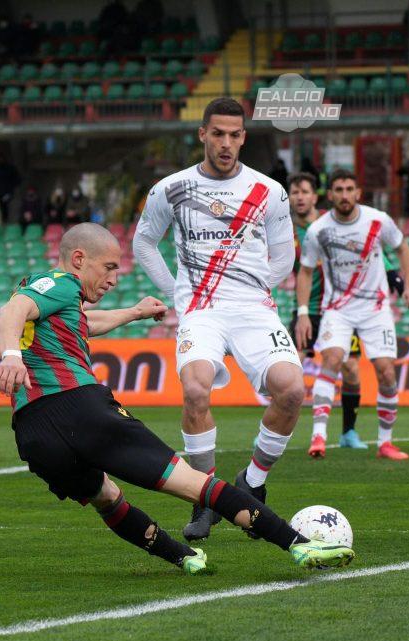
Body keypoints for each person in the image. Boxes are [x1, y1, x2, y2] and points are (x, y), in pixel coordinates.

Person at [0, 222, 354, 575]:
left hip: (33, 433)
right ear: (77, 259)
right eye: (109, 268)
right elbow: (10, 311)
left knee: (106, 497)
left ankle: (182, 556)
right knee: (191, 483)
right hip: (80, 409)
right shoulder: (59, 283)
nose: (113, 279)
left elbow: (84, 324)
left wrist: (134, 312)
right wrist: (10, 355)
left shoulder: (60, 302)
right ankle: (299, 543)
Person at [133, 97, 302, 542]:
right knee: (194, 390)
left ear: (243, 137)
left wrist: (258, 288)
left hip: (252, 309)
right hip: (201, 310)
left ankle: (252, 483)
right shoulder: (170, 188)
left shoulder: (269, 190)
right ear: (203, 134)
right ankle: (205, 500)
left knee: (292, 390)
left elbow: (285, 253)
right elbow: (144, 243)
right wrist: (178, 294)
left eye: (235, 135)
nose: (226, 143)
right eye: (218, 134)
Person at [295, 169, 409, 460]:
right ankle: (319, 436)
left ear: (358, 193)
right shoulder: (319, 230)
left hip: (375, 310)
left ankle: (385, 443)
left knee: (386, 370)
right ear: (331, 194)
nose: (344, 195)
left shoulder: (377, 220)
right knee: (333, 359)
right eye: (338, 189)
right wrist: (303, 312)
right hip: (337, 309)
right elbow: (305, 271)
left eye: (349, 189)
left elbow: (402, 248)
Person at [287, 172, 367, 450]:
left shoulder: (330, 225)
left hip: (341, 308)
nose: (299, 197)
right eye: (294, 193)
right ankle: (274, 430)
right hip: (306, 309)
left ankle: (348, 433)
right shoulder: (283, 230)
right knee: (286, 371)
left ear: (315, 196)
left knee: (352, 368)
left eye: (305, 192)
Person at [0, 158, 22, 223]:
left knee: (8, 206)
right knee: (3, 206)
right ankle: (5, 220)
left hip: (8, 192)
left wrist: (12, 187)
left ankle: (8, 220)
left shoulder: (10, 169)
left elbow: (17, 179)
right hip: (1, 192)